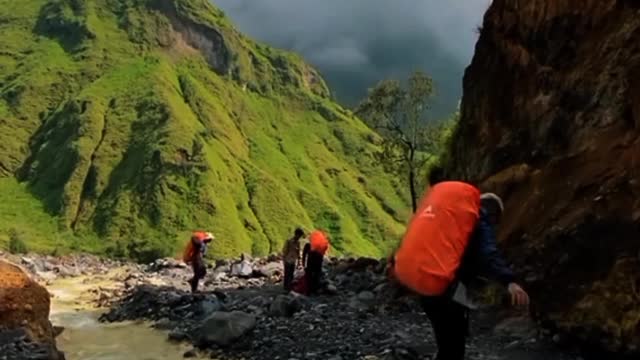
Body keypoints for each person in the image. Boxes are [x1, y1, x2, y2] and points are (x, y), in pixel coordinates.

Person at [393, 181, 530, 360]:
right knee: (454, 346)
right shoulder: (479, 218)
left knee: (445, 340)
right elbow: (488, 253)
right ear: (493, 213)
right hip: (446, 289)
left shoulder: (452, 221)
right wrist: (509, 281)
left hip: (425, 284)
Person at [302, 230, 329, 294]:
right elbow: (322, 255)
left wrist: (303, 264)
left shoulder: (308, 245)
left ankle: (309, 290)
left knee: (309, 277)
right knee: (316, 277)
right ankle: (315, 290)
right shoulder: (320, 246)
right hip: (317, 265)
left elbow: (304, 255)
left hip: (310, 264)